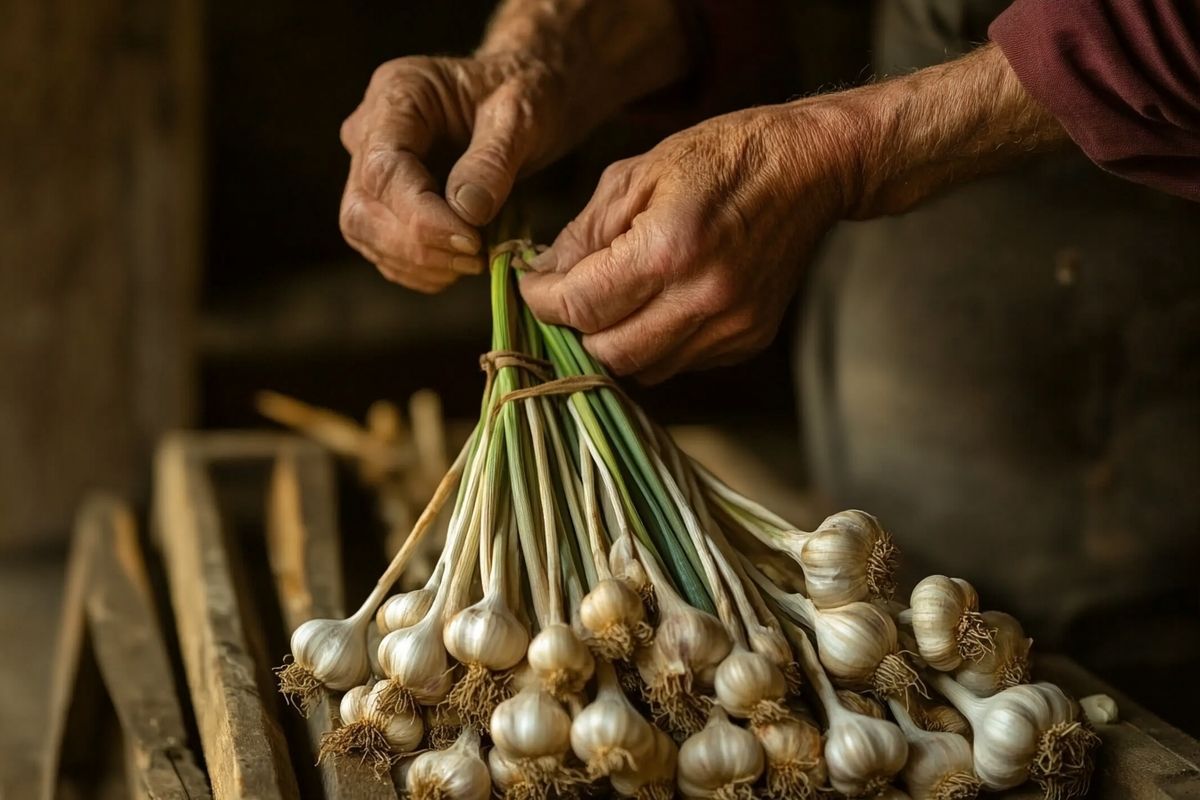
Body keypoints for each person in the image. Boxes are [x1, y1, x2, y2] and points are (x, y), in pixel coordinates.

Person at [338, 0, 1200, 721]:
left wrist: (845, 148)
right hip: (910, 356)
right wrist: (552, 41)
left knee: (1122, 694)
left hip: (1141, 362)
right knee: (906, 647)